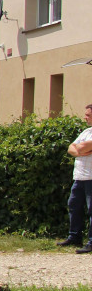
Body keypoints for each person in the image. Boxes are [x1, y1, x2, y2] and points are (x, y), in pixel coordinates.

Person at [61, 104, 92, 253]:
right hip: (79, 177)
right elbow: (71, 148)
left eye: (88, 115)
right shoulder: (86, 131)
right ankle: (75, 237)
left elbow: (80, 147)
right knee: (74, 206)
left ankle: (91, 242)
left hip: (91, 178)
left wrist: (79, 148)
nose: (85, 117)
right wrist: (79, 150)